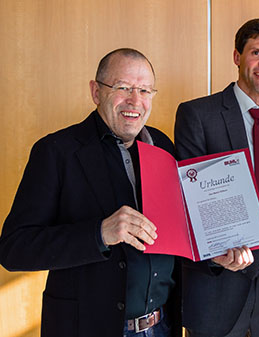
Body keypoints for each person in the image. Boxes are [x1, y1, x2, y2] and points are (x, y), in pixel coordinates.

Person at [0, 48, 181, 336]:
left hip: (160, 327)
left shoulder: (163, 145)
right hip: (88, 328)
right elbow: (14, 249)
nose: (135, 100)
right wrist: (99, 233)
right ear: (96, 91)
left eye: (145, 90)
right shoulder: (56, 152)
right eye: (123, 88)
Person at [174, 18, 259, 337]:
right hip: (218, 286)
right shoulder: (198, 116)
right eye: (256, 53)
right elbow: (193, 208)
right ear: (237, 57)